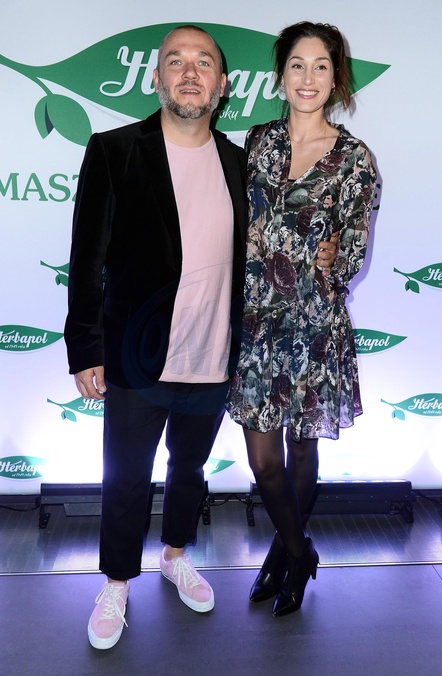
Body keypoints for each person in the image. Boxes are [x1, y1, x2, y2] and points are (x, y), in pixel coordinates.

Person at [64, 23, 336, 649]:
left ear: (222, 84)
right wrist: (86, 349)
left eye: (203, 63)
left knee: (188, 468)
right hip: (136, 355)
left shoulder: (242, 162)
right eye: (175, 61)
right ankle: (116, 583)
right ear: (157, 78)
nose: (190, 73)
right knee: (126, 475)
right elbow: (86, 259)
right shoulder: (114, 150)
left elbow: (287, 228)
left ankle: (175, 554)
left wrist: (328, 252)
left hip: (217, 353)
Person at [227, 21, 377, 617]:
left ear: (336, 79)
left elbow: (354, 253)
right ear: (281, 74)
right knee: (264, 461)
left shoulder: (354, 160)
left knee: (301, 448)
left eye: (321, 66)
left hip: (314, 324)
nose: (308, 78)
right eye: (297, 65)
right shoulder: (256, 142)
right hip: (255, 323)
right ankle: (299, 550)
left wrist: (336, 257)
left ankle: (283, 555)